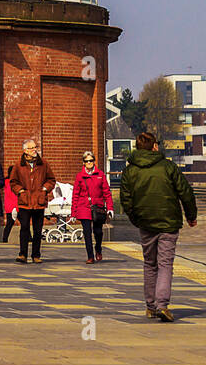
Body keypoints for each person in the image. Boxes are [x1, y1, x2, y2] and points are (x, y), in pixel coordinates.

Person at [120, 131, 197, 322]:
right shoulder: (168, 167)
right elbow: (185, 193)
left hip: (145, 222)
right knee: (165, 264)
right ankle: (162, 305)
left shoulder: (130, 171)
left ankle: (150, 306)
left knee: (149, 263)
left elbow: (125, 199)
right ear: (154, 146)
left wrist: (135, 218)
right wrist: (191, 216)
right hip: (168, 222)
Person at [9, 138, 56, 263]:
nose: (34, 150)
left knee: (37, 229)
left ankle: (36, 255)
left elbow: (51, 180)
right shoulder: (18, 165)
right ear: (25, 150)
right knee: (24, 228)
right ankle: (22, 254)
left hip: (39, 202)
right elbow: (13, 182)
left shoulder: (43, 164)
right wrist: (20, 191)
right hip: (24, 202)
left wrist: (45, 189)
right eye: (31, 148)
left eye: (35, 147)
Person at [72, 149, 114, 264]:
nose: (89, 163)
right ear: (83, 163)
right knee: (87, 232)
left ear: (94, 161)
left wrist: (110, 207)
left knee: (98, 232)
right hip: (84, 207)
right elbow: (75, 194)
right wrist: (73, 213)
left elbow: (107, 192)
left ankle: (98, 248)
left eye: (91, 160)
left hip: (98, 207)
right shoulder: (80, 176)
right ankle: (90, 256)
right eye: (87, 161)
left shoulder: (100, 175)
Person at [1, 166, 18, 243]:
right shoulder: (7, 181)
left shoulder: (6, 181)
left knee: (10, 223)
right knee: (10, 223)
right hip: (13, 206)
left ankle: (4, 239)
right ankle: (4, 239)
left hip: (13, 205)